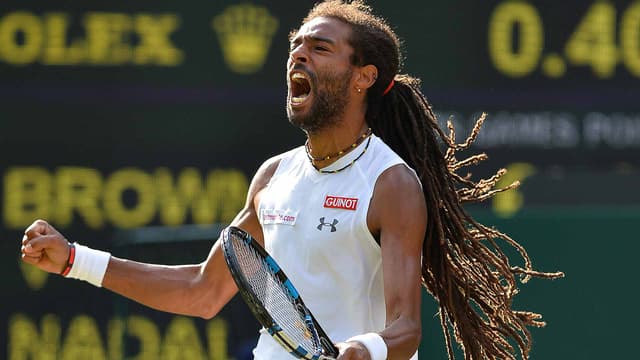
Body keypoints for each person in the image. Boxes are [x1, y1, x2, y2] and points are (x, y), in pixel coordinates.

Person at [20, 1, 563, 359]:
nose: (298, 54)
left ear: (363, 78)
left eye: (319, 48)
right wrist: (75, 260)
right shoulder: (272, 177)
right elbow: (202, 291)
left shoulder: (391, 184)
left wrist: (364, 349)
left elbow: (406, 330)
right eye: (295, 47)